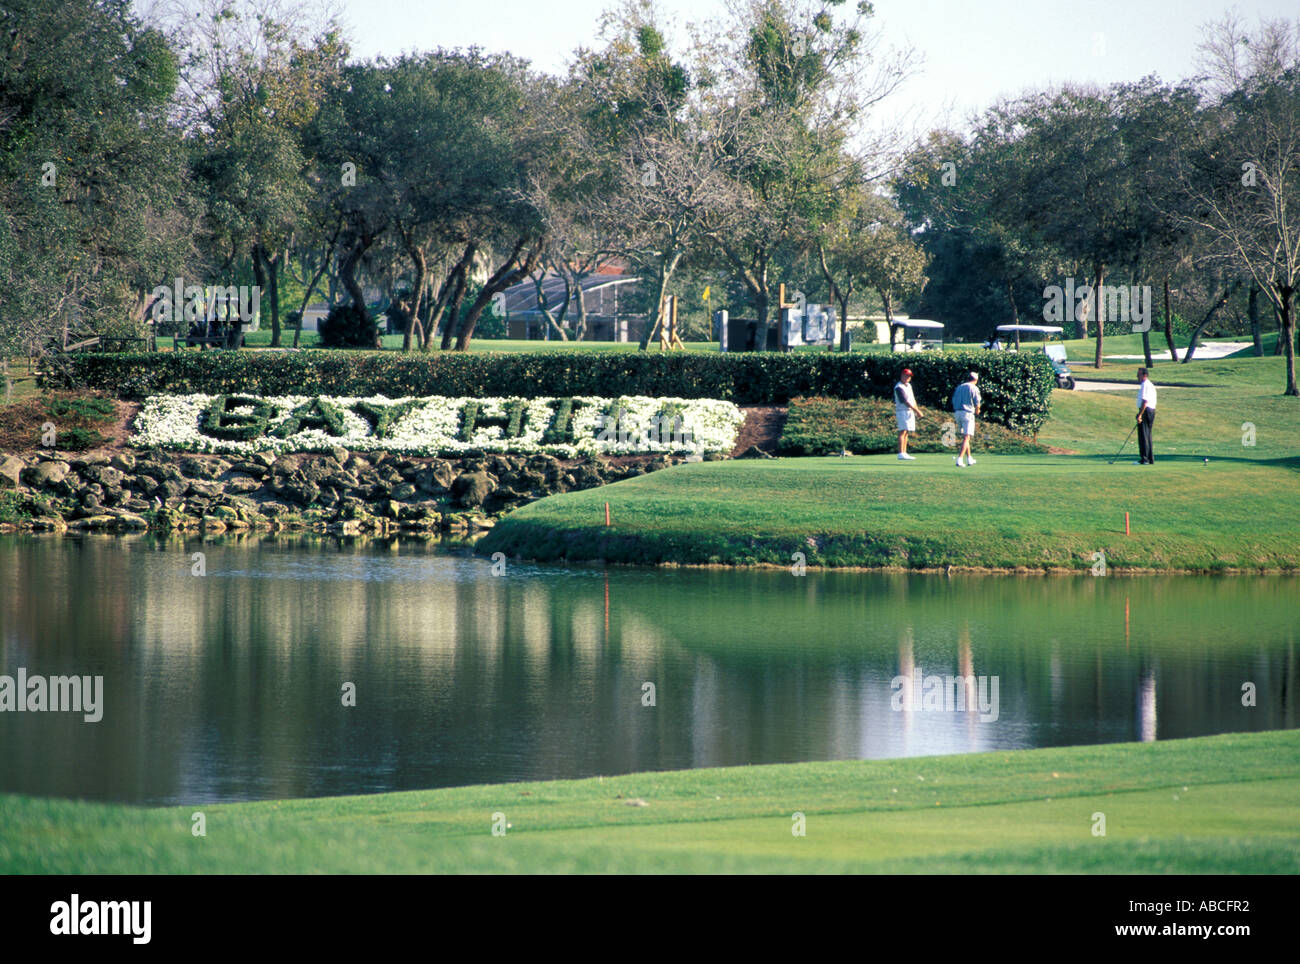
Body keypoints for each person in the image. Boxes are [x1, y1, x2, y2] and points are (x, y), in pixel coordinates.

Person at [952, 372, 982, 468]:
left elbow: (953, 399)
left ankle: (969, 458)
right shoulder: (974, 387)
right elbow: (977, 402)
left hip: (957, 413)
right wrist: (977, 411)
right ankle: (960, 459)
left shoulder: (959, 387)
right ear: (975, 379)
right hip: (967, 413)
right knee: (966, 437)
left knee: (965, 437)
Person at [894, 368, 923, 460]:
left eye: (909, 376)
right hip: (902, 411)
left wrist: (917, 409)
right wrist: (917, 411)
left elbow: (912, 399)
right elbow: (905, 401)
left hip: (910, 411)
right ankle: (900, 453)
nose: (907, 378)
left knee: (906, 432)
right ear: (901, 375)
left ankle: (904, 452)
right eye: (905, 375)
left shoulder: (908, 386)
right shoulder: (899, 387)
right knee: (902, 431)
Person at [1135, 367, 1157, 464]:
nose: (1137, 376)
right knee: (1147, 435)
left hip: (1146, 410)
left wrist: (1140, 415)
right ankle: (1149, 458)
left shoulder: (1145, 385)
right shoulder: (1149, 384)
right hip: (1149, 411)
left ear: (1144, 375)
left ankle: (1145, 459)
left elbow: (1145, 401)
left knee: (1144, 435)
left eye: (1138, 374)